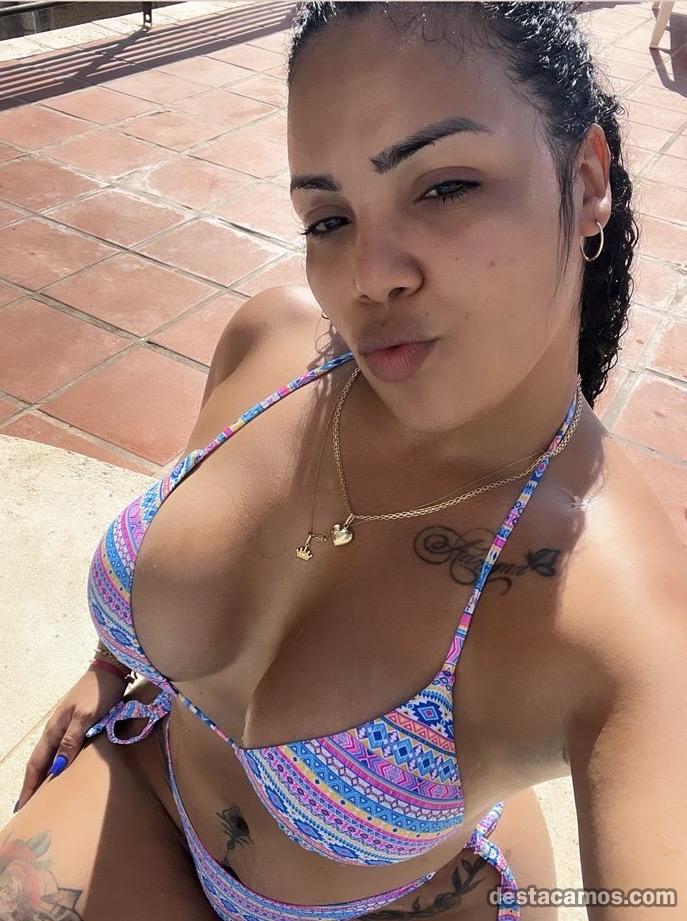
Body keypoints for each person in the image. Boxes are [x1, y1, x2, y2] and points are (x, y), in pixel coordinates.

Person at [3, 2, 686, 920]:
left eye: (443, 186)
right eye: (327, 217)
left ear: (586, 178)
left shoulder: (619, 608)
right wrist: (106, 662)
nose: (369, 275)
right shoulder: (275, 343)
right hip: (153, 790)